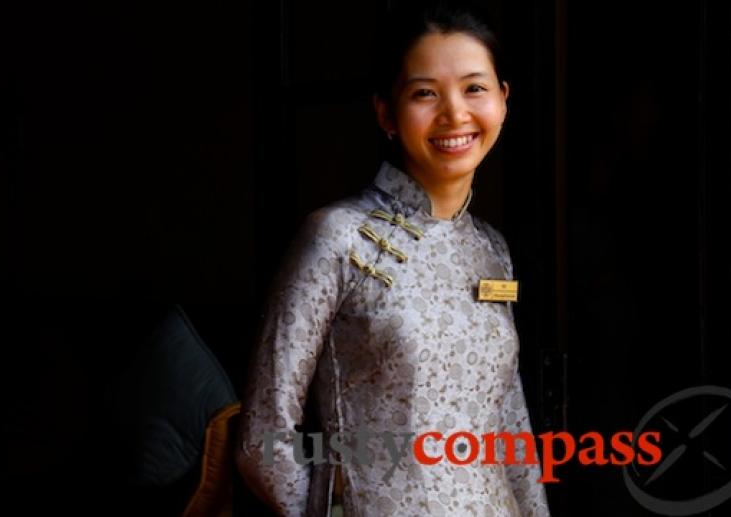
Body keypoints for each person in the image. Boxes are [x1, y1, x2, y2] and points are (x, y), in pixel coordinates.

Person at [235, 2, 551, 515]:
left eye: (474, 88)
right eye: (425, 93)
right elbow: (262, 437)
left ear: (503, 101)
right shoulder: (338, 237)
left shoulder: (491, 249)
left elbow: (509, 420)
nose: (454, 113)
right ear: (385, 111)